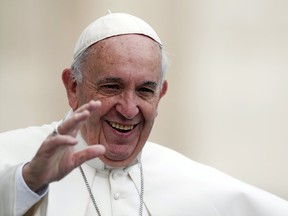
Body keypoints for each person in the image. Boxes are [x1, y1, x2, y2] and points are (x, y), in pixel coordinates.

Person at [0, 12, 288, 216]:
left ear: (161, 94)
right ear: (73, 87)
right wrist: (26, 183)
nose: (128, 109)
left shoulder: (196, 183)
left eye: (145, 91)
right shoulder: (13, 156)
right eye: (111, 87)